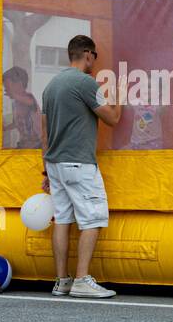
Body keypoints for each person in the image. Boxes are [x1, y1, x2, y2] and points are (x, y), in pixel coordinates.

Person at [41, 35, 121, 299]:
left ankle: (61, 280)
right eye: (94, 57)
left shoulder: (50, 87)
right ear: (88, 54)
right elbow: (112, 118)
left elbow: (44, 132)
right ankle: (82, 280)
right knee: (92, 218)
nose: (94, 62)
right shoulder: (87, 83)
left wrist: (45, 169)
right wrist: (117, 96)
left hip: (55, 163)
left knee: (62, 220)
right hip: (79, 162)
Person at [3, 66, 43, 149]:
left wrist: (14, 95)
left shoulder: (29, 98)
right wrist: (5, 128)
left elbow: (30, 103)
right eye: (5, 86)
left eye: (8, 86)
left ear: (19, 84)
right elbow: (16, 123)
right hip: (24, 143)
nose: (5, 89)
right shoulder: (15, 104)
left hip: (38, 144)